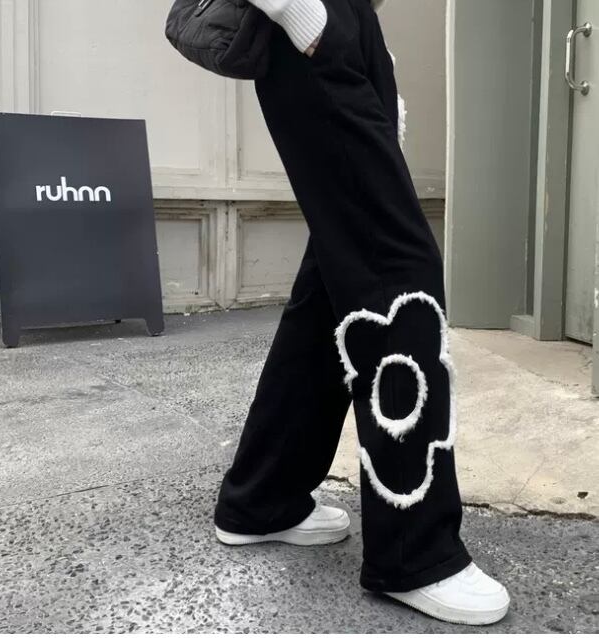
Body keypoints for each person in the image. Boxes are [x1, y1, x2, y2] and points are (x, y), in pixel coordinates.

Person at [213, 0, 510, 626]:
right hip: (314, 24)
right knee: (398, 273)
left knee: (334, 284)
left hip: (340, 30)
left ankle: (263, 496)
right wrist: (301, 12)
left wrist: (370, 54)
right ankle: (413, 551)